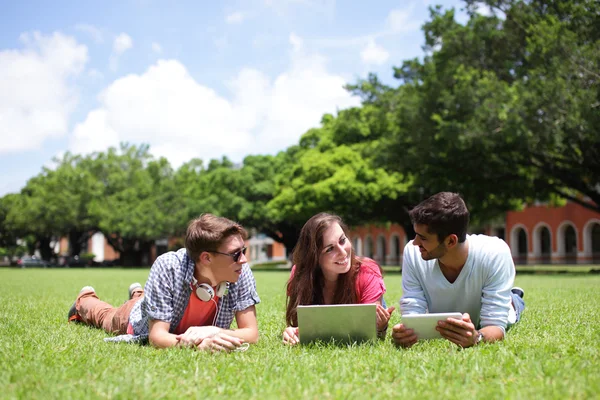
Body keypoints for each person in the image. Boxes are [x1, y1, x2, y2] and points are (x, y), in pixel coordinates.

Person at [68, 214, 260, 352]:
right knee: (106, 316)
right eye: (236, 254)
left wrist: (214, 331)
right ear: (206, 258)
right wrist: (195, 345)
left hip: (160, 304)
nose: (243, 259)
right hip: (136, 318)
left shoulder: (238, 270)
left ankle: (139, 293)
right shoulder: (168, 267)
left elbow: (251, 334)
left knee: (144, 299)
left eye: (244, 251)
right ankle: (84, 300)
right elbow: (157, 337)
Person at [392, 192, 525, 348]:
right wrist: (407, 333)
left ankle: (515, 297)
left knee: (513, 305)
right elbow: (412, 310)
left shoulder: (494, 253)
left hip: (502, 306)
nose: (415, 243)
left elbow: (495, 325)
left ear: (451, 241)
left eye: (424, 238)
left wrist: (477, 338)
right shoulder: (413, 253)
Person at [282, 212, 395, 345]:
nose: (343, 252)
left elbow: (369, 333)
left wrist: (380, 327)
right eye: (330, 249)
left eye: (342, 240)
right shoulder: (300, 275)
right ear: (314, 257)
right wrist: (292, 332)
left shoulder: (367, 271)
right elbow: (300, 326)